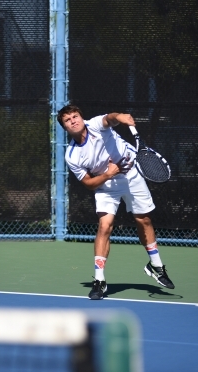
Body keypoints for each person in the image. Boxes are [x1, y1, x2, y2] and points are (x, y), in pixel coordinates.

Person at [57, 104, 175, 300]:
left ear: (81, 117)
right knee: (104, 226)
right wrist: (109, 173)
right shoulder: (72, 156)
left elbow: (109, 118)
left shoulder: (94, 125)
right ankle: (99, 281)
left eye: (75, 116)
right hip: (105, 183)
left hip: (131, 175)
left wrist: (120, 116)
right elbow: (88, 183)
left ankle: (156, 266)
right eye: (68, 120)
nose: (73, 121)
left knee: (144, 220)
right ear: (65, 128)